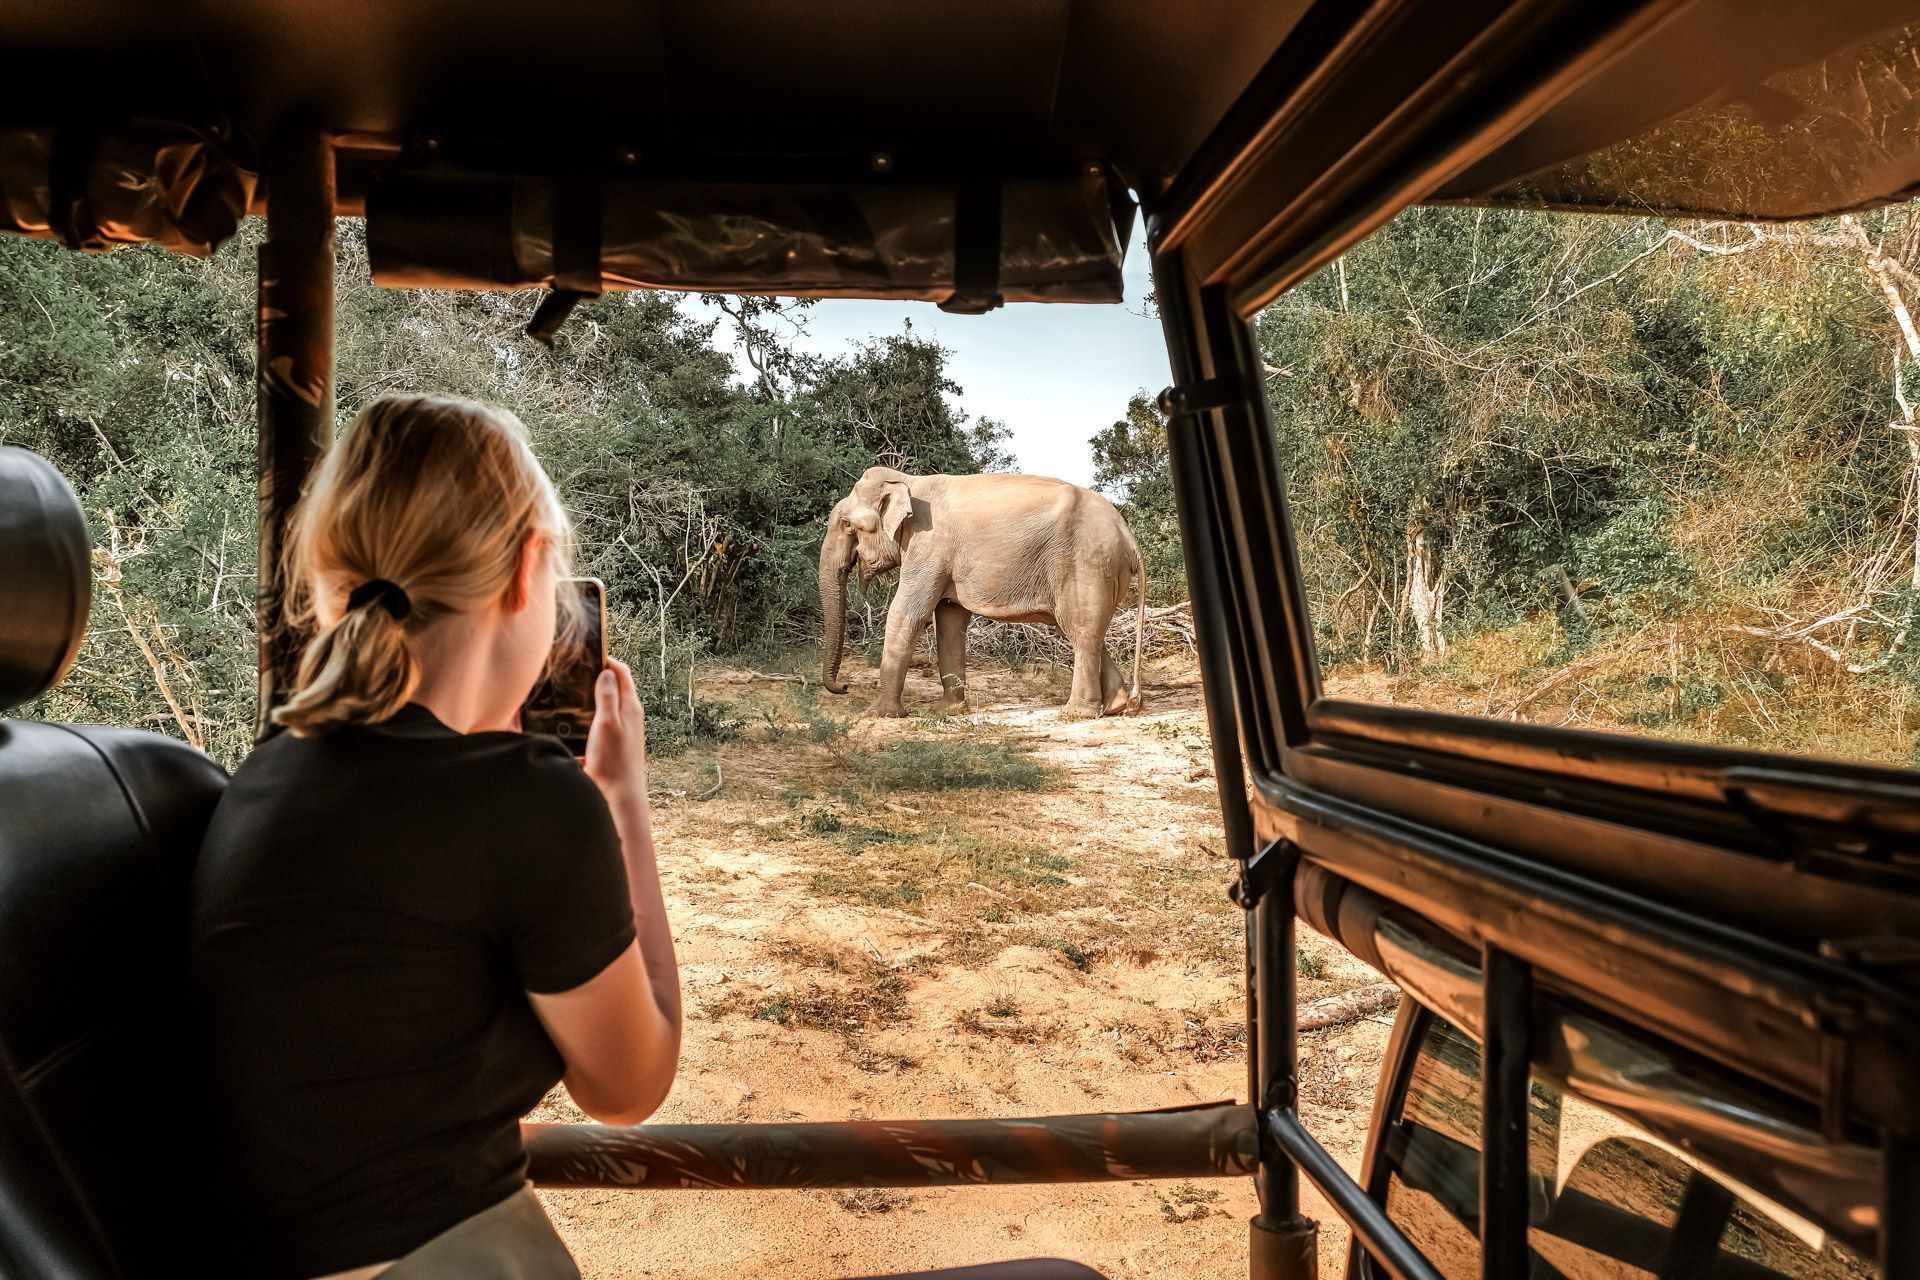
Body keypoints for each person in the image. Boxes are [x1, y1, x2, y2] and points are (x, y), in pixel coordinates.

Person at [189, 394, 680, 1280]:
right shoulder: (521, 802)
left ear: (336, 580)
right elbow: (630, 1086)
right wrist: (621, 802)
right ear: (530, 571)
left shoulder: (272, 773)